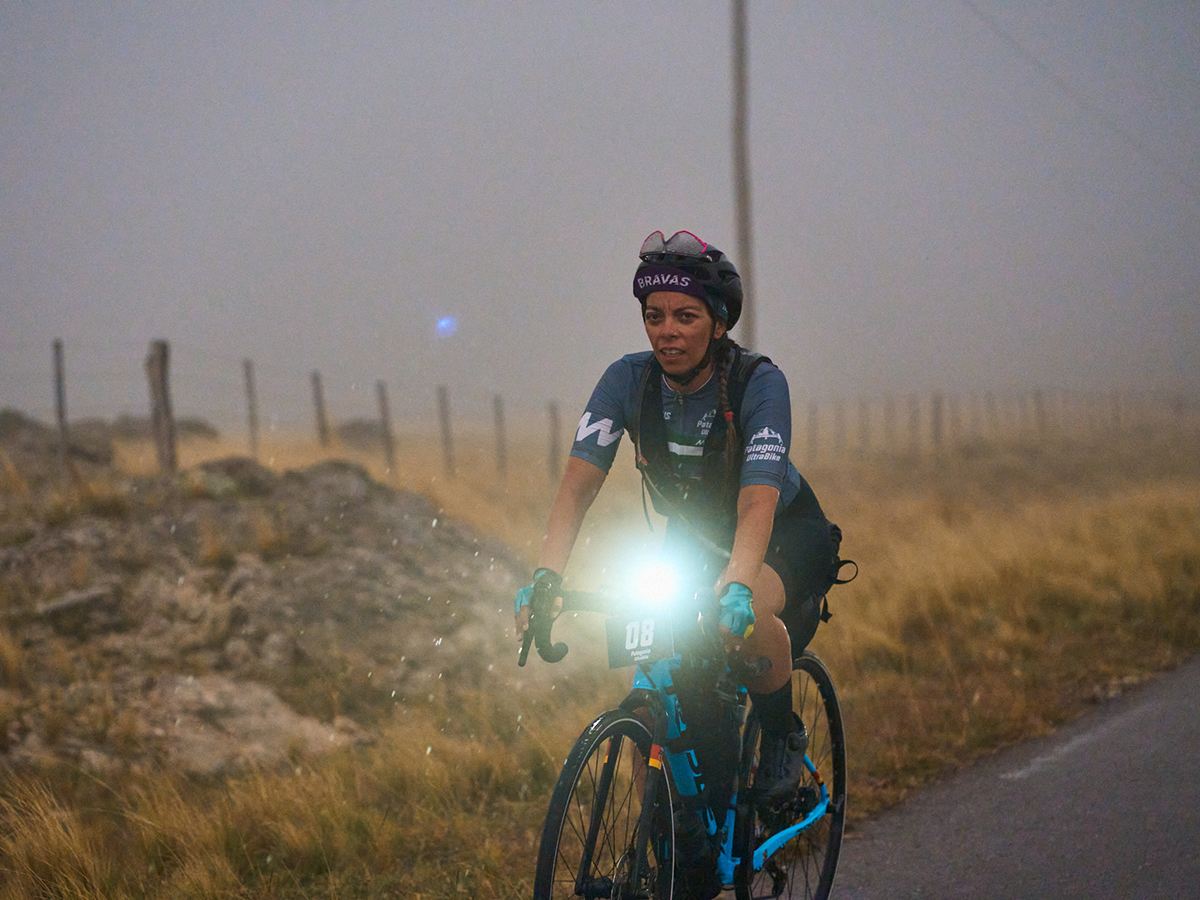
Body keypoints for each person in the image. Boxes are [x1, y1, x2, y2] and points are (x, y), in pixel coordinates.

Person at [514, 228, 841, 807]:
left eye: (686, 316)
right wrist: (547, 577)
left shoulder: (757, 382)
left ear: (718, 324)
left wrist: (737, 585)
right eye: (654, 315)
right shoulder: (627, 380)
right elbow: (576, 487)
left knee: (727, 616)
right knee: (656, 697)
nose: (667, 331)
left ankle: (781, 732)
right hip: (691, 541)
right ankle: (667, 849)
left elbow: (756, 500)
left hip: (783, 533)